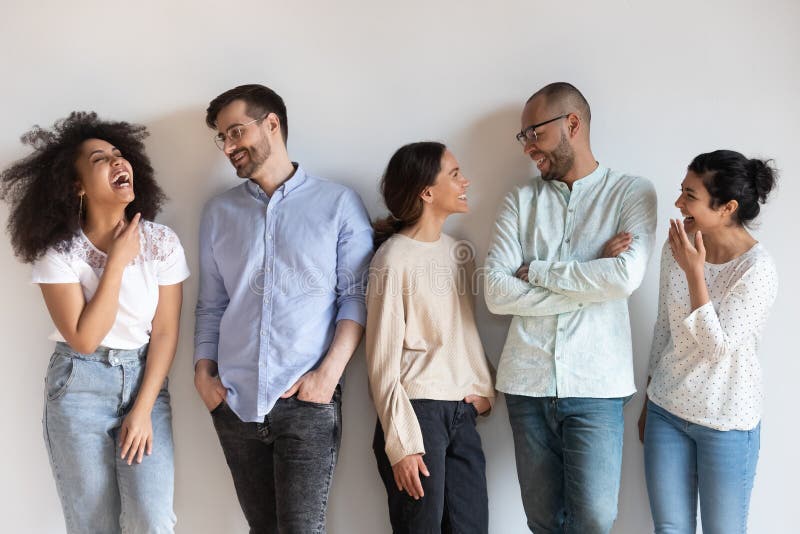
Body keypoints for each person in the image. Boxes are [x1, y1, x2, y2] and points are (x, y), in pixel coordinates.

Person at [194, 84, 373, 533]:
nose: (229, 147)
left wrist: (327, 376)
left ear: (272, 123)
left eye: (236, 132)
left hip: (306, 401)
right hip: (234, 404)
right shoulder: (218, 212)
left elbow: (356, 298)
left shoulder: (338, 203)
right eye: (223, 138)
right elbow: (212, 304)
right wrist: (203, 374)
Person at [0, 112, 189, 533]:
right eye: (100, 158)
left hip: (145, 385)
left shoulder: (161, 243)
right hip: (78, 387)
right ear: (78, 186)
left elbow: (165, 332)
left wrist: (142, 410)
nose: (118, 161)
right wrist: (117, 261)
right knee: (94, 525)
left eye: (120, 154)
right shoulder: (60, 254)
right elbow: (85, 339)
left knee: (153, 521)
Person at [484, 82, 657, 533]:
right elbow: (497, 293)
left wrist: (537, 270)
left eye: (533, 134)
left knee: (596, 520)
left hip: (597, 386)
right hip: (527, 382)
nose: (527, 148)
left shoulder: (632, 194)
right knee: (543, 520)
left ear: (572, 125)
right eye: (522, 138)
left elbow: (623, 278)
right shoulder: (519, 200)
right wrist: (592, 269)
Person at [639, 150, 778, 534]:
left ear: (727, 208)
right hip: (667, 411)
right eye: (681, 191)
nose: (678, 203)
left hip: (727, 420)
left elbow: (716, 347)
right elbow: (663, 327)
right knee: (670, 530)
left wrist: (695, 273)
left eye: (690, 196)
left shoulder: (757, 270)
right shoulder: (677, 245)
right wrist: (650, 397)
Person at [366, 141, 496, 533]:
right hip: (416, 414)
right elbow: (381, 361)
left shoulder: (459, 254)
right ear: (426, 191)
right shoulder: (392, 259)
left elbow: (463, 334)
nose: (465, 181)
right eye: (454, 174)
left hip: (461, 411)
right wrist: (402, 442)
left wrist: (484, 392)